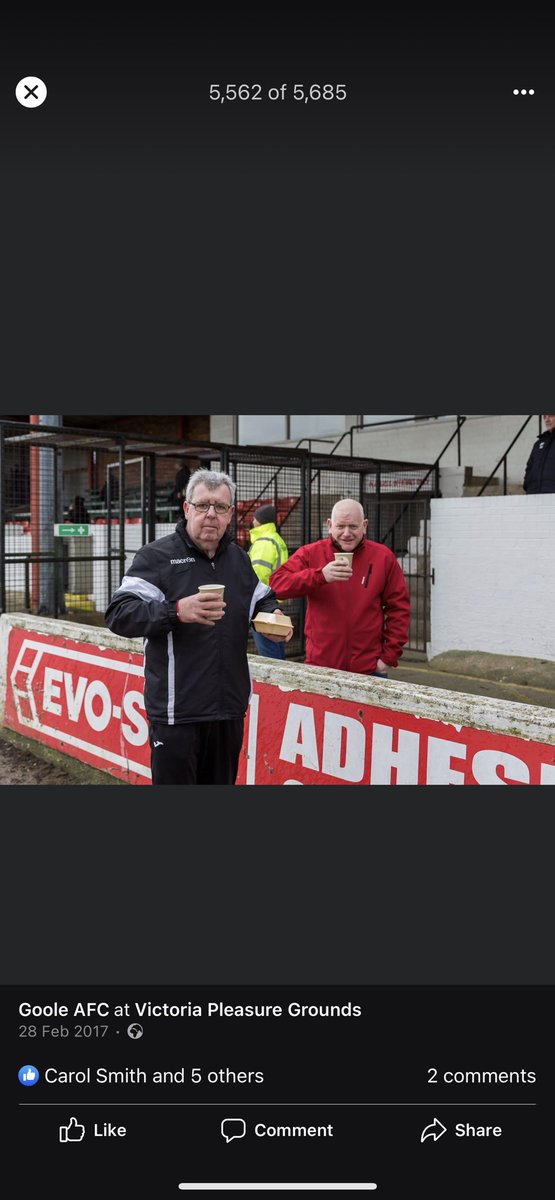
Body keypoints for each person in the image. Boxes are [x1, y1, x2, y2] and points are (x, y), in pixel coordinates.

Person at [105, 468, 292, 784]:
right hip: (177, 714)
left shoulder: (238, 559)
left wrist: (272, 618)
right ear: (187, 507)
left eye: (220, 507)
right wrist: (176, 610)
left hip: (228, 709)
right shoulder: (157, 557)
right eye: (203, 504)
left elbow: (261, 599)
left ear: (230, 514)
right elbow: (119, 613)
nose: (211, 514)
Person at [270, 498, 410, 677]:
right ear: (330, 525)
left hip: (369, 669)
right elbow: (277, 584)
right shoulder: (311, 553)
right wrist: (320, 576)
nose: (346, 533)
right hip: (320, 668)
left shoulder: (383, 557)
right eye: (340, 526)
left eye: (353, 526)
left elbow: (399, 609)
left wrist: (388, 658)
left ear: (364, 525)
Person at [248, 504, 290, 660]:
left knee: (268, 653)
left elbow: (257, 575)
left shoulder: (263, 542)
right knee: (276, 645)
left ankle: (275, 683)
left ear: (260, 521)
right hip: (275, 600)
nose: (252, 521)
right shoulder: (276, 539)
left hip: (263, 603)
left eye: (255, 518)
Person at [523, 414, 555, 494]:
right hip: (534, 494)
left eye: (551, 415)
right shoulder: (538, 443)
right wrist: (528, 485)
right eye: (545, 417)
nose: (547, 420)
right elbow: (529, 467)